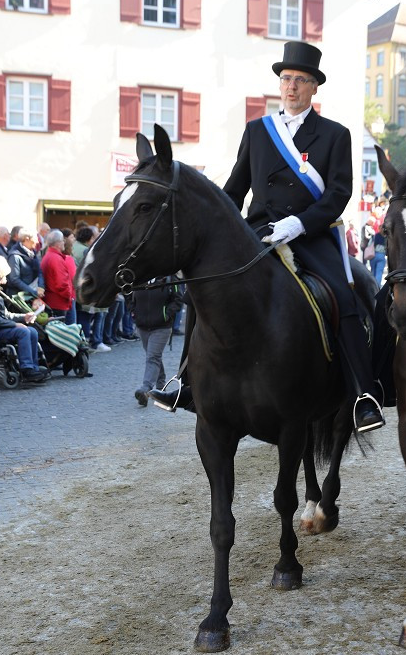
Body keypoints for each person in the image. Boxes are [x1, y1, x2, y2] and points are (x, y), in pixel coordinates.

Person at [150, 40, 385, 432]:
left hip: (311, 234)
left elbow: (338, 194)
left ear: (314, 88)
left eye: (301, 80)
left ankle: (363, 393)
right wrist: (213, 230)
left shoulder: (334, 134)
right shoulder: (258, 131)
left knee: (343, 296)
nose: (292, 87)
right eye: (286, 79)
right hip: (258, 233)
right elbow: (235, 190)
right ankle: (185, 381)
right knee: (201, 291)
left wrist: (300, 223)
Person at [0, 256, 49, 381]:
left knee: (32, 331)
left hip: (1, 327)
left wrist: (24, 317)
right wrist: (13, 325)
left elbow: (6, 315)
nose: (4, 282)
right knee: (23, 331)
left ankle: (33, 367)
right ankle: (26, 368)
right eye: (0, 278)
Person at [133, 278, 183, 406]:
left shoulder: (170, 277)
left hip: (162, 327)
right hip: (142, 325)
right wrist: (133, 313)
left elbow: (178, 299)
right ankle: (161, 383)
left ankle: (146, 388)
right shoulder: (140, 274)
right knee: (153, 356)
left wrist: (166, 314)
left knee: (153, 356)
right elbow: (129, 295)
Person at [40, 229, 75, 319]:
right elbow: (62, 284)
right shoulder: (56, 259)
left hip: (53, 301)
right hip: (58, 303)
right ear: (58, 243)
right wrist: (69, 296)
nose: (64, 243)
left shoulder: (49, 256)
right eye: (62, 240)